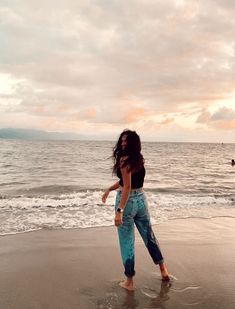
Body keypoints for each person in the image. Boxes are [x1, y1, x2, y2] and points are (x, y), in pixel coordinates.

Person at [102, 129, 170, 291]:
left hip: (127, 203)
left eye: (126, 141)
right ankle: (163, 270)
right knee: (149, 236)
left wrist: (119, 211)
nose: (123, 143)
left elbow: (127, 186)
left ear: (132, 143)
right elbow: (126, 182)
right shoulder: (138, 159)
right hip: (141, 201)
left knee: (127, 242)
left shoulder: (124, 159)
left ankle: (129, 282)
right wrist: (108, 189)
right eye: (122, 140)